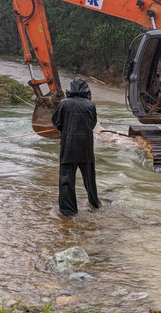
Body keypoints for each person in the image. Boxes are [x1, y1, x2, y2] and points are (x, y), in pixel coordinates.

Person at [51, 77, 101, 217]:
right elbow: (92, 124)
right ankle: (95, 203)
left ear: (70, 90)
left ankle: (69, 211)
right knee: (89, 178)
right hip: (86, 147)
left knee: (67, 179)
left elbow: (56, 122)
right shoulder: (90, 105)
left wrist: (66, 129)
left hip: (69, 147)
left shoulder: (64, 104)